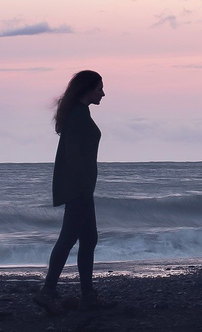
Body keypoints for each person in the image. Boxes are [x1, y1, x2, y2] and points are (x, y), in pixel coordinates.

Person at [33, 70, 114, 315]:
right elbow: (74, 155)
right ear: (87, 89)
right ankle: (47, 291)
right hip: (79, 188)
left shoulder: (80, 113)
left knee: (89, 240)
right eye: (99, 88)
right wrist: (82, 186)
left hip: (81, 186)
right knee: (68, 238)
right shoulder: (78, 116)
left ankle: (88, 296)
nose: (103, 93)